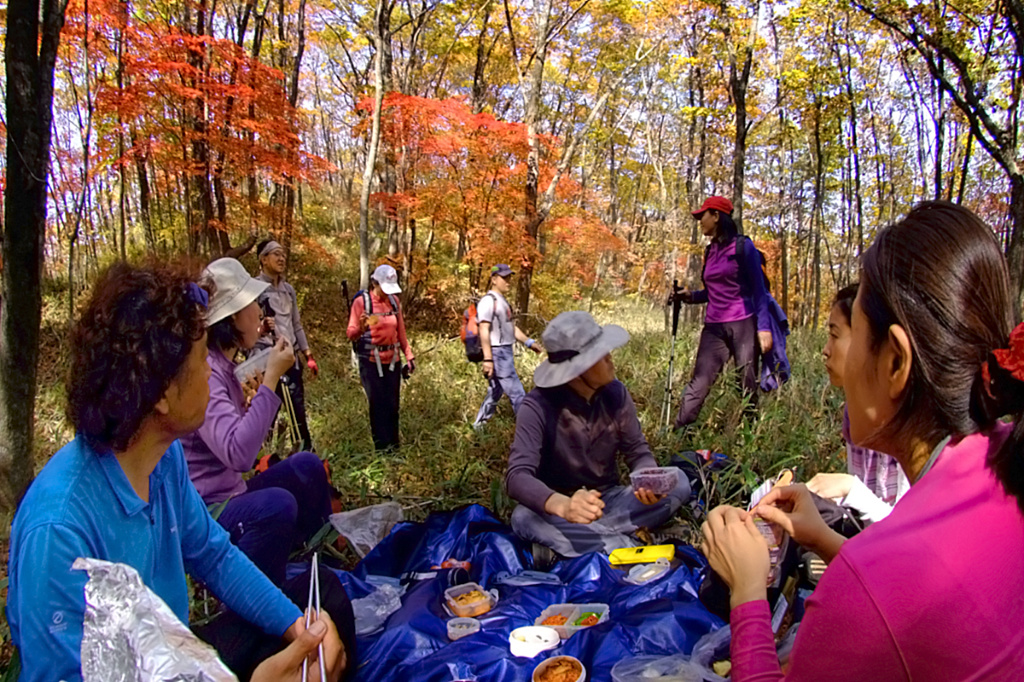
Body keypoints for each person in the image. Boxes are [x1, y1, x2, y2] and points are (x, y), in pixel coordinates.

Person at [700, 201, 1024, 680]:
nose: (833, 360)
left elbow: (885, 590)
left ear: (895, 362)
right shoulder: (1004, 460)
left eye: (851, 336)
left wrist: (747, 591)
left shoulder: (866, 587)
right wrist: (826, 541)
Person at [5, 263, 351, 682]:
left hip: (174, 655)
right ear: (162, 394)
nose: (209, 369)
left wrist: (299, 630)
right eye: (199, 357)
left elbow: (215, 556)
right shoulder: (59, 530)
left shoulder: (163, 460)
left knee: (323, 604)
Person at [181, 257, 334, 587]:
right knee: (276, 505)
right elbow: (240, 455)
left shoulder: (224, 365)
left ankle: (313, 554)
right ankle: (258, 590)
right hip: (208, 511)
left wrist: (254, 400)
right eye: (253, 305)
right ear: (234, 316)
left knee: (307, 466)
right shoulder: (205, 371)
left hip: (232, 491)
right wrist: (271, 380)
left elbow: (242, 449)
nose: (259, 315)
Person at [505, 311, 691, 558]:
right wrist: (564, 505)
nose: (610, 359)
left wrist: (648, 479)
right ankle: (629, 545)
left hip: (610, 501)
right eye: (601, 355)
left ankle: (591, 543)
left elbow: (637, 451)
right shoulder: (537, 406)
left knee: (678, 480)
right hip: (561, 510)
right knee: (523, 517)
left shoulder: (616, 394)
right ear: (577, 370)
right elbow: (517, 477)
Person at [670, 196, 771, 431]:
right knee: (700, 380)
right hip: (714, 326)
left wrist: (764, 328)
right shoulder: (710, 251)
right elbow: (712, 291)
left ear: (716, 216)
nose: (699, 221)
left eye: (702, 216)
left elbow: (759, 291)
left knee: (746, 383)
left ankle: (750, 438)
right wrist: (690, 296)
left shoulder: (744, 247)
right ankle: (679, 433)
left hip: (744, 324)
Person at [812, 283, 909, 524]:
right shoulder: (854, 414)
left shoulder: (910, 424)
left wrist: (851, 489)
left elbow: (908, 531)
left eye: (835, 335)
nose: (825, 350)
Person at [255, 239, 317, 452]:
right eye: (276, 254)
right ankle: (262, 457)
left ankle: (306, 455)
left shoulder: (288, 290)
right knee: (267, 411)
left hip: (291, 357)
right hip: (266, 356)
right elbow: (247, 330)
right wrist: (260, 329)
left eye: (283, 254)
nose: (281, 258)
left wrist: (307, 354)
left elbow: (296, 324)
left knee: (297, 409)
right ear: (263, 259)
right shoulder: (254, 289)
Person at [345, 264, 415, 451]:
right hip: (370, 362)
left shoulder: (394, 302)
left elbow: (401, 330)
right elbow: (350, 333)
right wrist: (361, 327)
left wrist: (408, 354)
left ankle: (395, 448)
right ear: (375, 282)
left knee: (392, 405)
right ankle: (382, 450)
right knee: (378, 406)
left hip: (393, 360)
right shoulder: (362, 303)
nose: (387, 293)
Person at [473, 264, 544, 429]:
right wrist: (488, 359)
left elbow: (511, 328)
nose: (508, 281)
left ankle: (477, 428)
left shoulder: (502, 302)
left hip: (504, 351)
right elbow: (483, 329)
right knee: (518, 394)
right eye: (504, 278)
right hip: (497, 353)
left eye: (509, 277)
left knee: (495, 393)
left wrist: (529, 342)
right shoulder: (488, 302)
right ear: (494, 279)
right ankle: (531, 431)